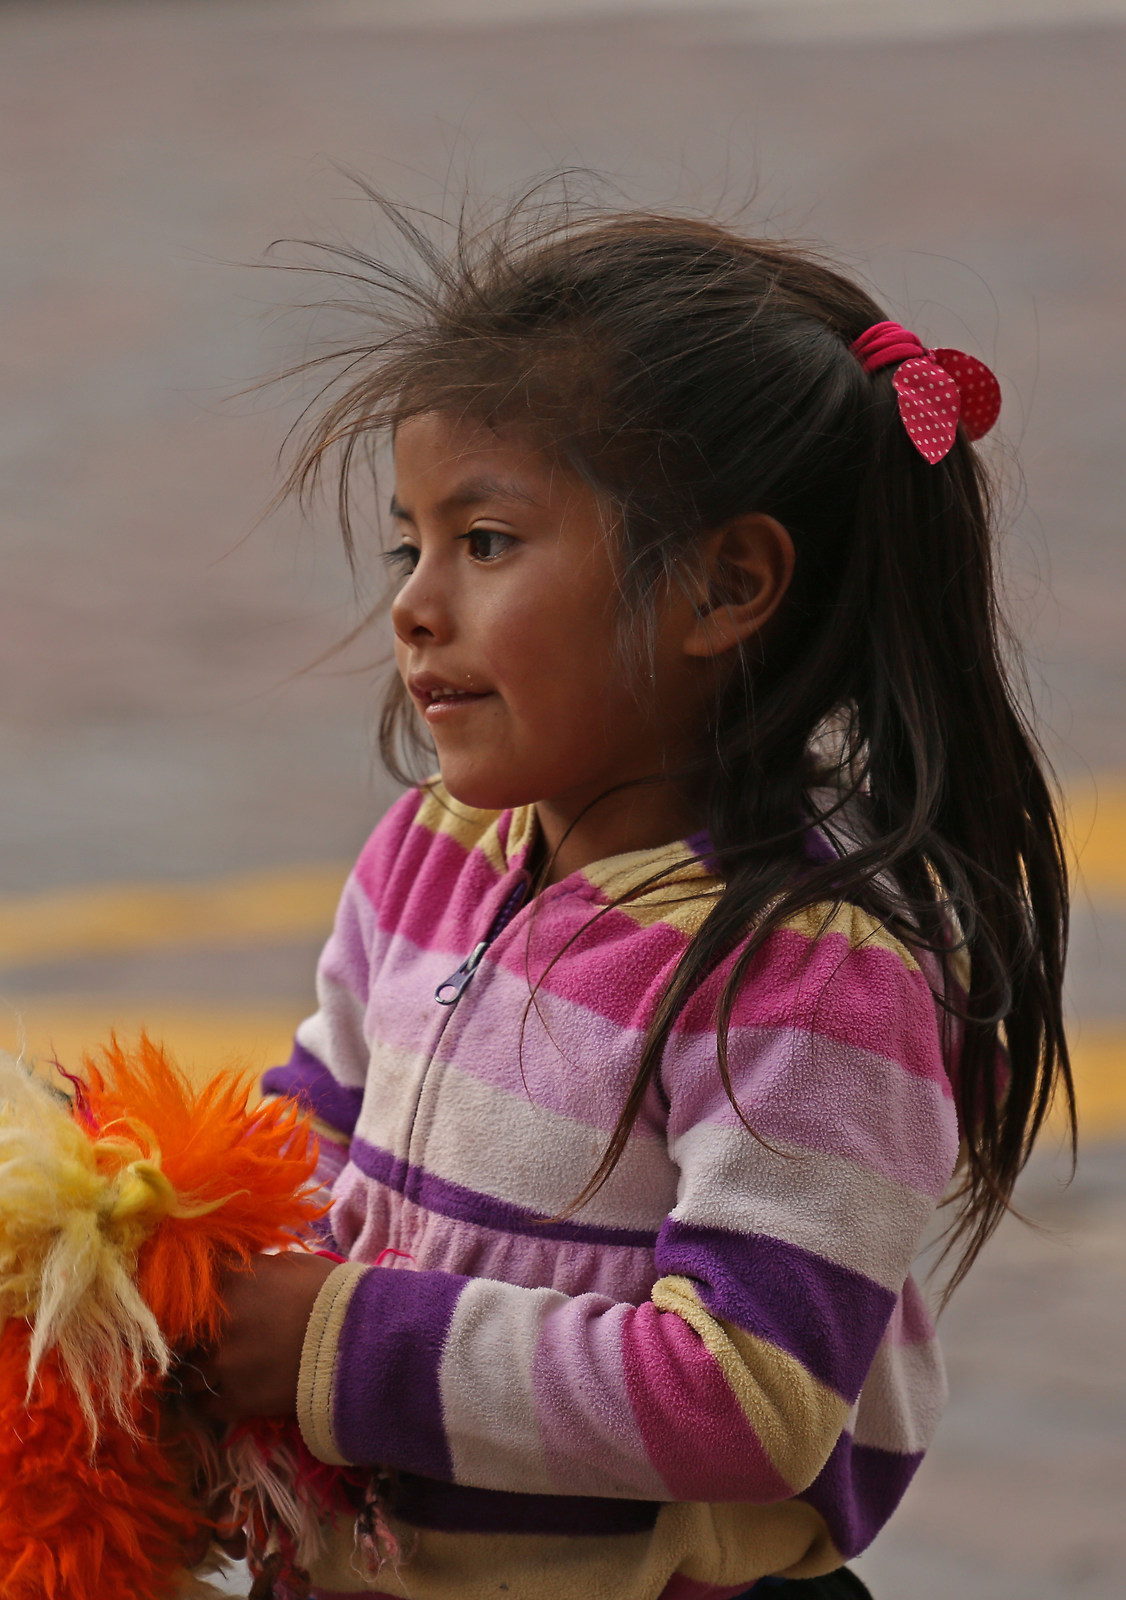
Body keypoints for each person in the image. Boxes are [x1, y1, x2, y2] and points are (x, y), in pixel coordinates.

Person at [186, 198, 1073, 1600]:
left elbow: (748, 1396)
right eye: (405, 546)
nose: (416, 605)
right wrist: (172, 1280)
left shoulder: (805, 978)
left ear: (725, 585)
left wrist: (336, 1353)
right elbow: (320, 1126)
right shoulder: (432, 853)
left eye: (485, 542)